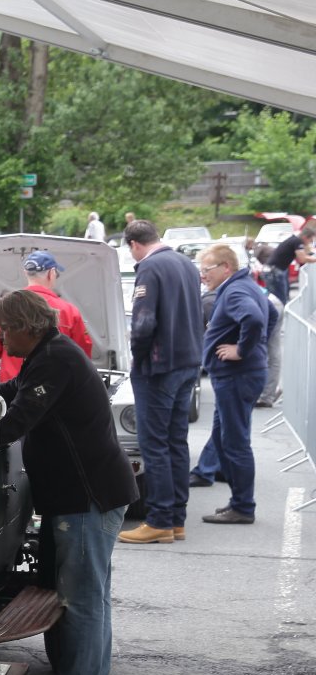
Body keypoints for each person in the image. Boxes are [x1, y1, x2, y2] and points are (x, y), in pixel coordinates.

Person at [0, 290, 136, 675]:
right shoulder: (48, 355)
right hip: (80, 495)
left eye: (5, 329)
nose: (1, 338)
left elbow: (15, 421)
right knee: (86, 595)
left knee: (82, 598)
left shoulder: (55, 360)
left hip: (86, 497)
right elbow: (9, 393)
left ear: (26, 327)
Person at [118, 220, 203, 545]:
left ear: (133, 244)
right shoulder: (185, 263)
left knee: (154, 444)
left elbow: (143, 324)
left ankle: (159, 520)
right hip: (187, 361)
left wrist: (137, 359)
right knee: (176, 442)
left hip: (159, 366)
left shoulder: (150, 267)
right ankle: (176, 519)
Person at [196, 243, 273, 525]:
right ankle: (238, 501)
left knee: (235, 442)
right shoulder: (243, 285)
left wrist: (242, 350)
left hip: (236, 376)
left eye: (207, 269)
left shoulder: (235, 290)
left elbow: (254, 318)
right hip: (238, 375)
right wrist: (256, 346)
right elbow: (271, 313)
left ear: (226, 268)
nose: (203, 275)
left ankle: (243, 506)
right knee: (223, 438)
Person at [0, 250, 93, 382]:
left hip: (13, 387)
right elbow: (82, 357)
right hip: (56, 387)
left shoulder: (5, 308)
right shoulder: (69, 311)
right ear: (51, 273)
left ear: (26, 273)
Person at [264, 223, 313, 304]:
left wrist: (307, 247)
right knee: (280, 299)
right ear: (305, 237)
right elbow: (302, 259)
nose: (310, 243)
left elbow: (307, 253)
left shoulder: (294, 240)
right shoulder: (297, 241)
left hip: (274, 270)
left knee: (282, 297)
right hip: (274, 271)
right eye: (310, 240)